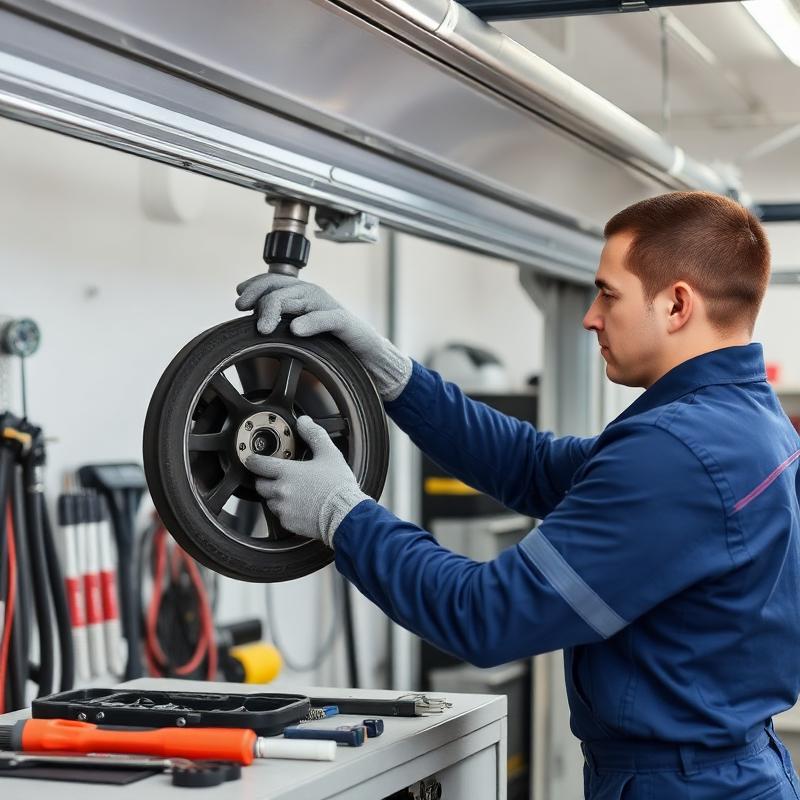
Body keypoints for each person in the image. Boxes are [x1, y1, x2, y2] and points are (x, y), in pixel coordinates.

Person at [237, 191, 800, 799]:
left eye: (609, 293)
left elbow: (487, 617)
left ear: (677, 304)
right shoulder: (742, 422)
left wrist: (341, 515)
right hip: (722, 771)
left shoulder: (678, 452)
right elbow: (531, 465)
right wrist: (388, 370)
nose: (591, 316)